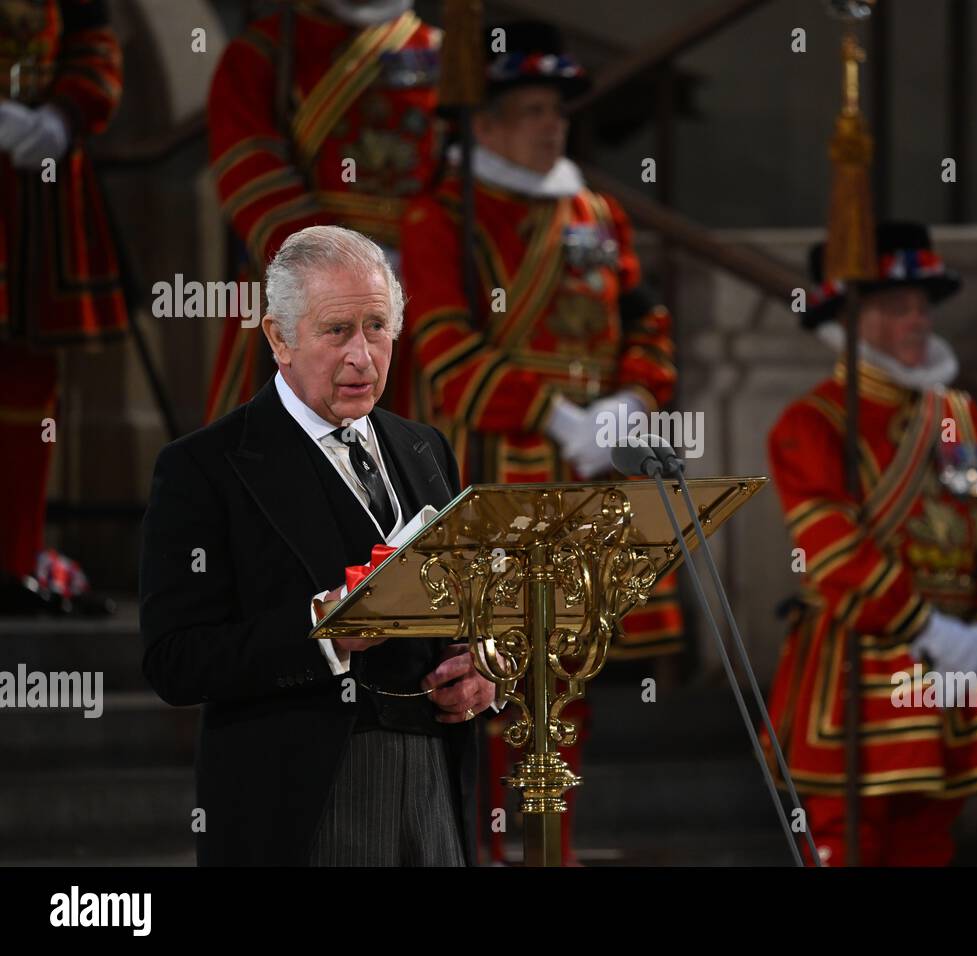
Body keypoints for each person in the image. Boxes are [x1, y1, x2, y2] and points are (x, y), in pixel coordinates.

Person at [392, 20, 681, 865]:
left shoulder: (600, 212)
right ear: (483, 125)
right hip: (497, 465)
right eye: (528, 110)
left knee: (569, 676)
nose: (550, 125)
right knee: (483, 669)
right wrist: (556, 414)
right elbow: (444, 347)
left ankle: (551, 847)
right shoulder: (438, 214)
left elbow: (648, 321)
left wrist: (633, 397)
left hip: (590, 471)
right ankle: (483, 846)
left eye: (556, 109)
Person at [141, 225, 496, 865]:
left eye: (378, 327)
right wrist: (322, 631)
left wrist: (482, 668)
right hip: (301, 802)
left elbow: (465, 609)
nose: (362, 355)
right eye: (337, 332)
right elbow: (175, 661)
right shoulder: (205, 467)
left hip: (433, 787)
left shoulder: (426, 449)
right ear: (280, 338)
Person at [763, 221, 977, 866]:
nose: (918, 321)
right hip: (858, 660)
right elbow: (831, 549)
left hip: (957, 660)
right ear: (850, 317)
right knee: (841, 839)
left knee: (929, 840)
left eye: (922, 306)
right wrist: (926, 627)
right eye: (897, 308)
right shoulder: (810, 421)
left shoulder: (966, 416)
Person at [203, 0, 443, 421]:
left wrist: (426, 253)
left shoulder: (444, 55)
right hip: (301, 285)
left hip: (421, 290)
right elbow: (252, 175)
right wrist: (339, 268)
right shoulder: (262, 54)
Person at [0, 0, 125, 614]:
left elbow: (93, 36)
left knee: (28, 375)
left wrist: (63, 111)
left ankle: (14, 563)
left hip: (34, 186)